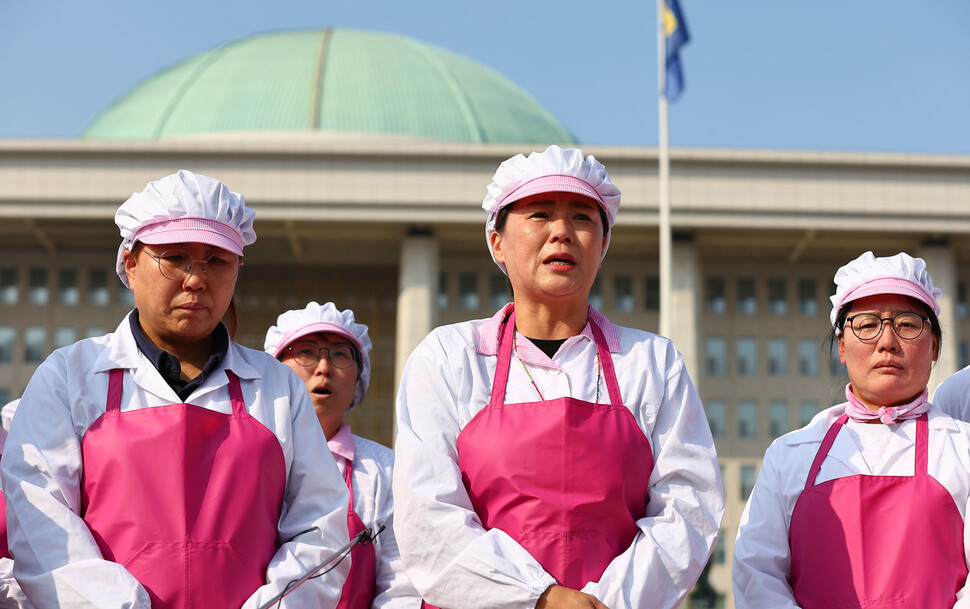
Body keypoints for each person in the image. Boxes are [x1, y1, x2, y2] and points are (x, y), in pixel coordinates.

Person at [393, 145, 724, 609]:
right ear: (497, 242)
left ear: (604, 245)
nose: (562, 233)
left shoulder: (651, 362)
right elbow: (427, 518)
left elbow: (688, 505)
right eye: (539, 214)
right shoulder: (449, 358)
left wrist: (603, 603)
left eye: (583, 218)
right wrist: (538, 597)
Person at [0, 170, 351, 608]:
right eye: (176, 257)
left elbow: (321, 526)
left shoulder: (278, 388)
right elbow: (41, 525)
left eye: (217, 261)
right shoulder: (69, 377)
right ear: (130, 263)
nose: (196, 279)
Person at [732, 251, 970, 608]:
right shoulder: (790, 455)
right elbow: (757, 574)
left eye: (907, 324)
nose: (887, 341)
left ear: (934, 345)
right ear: (842, 346)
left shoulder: (963, 449)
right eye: (867, 324)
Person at [264, 301, 421, 609]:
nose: (323, 368)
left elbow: (400, 588)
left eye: (339, 355)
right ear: (274, 371)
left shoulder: (386, 471)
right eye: (306, 352)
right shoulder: (244, 458)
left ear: (358, 381)